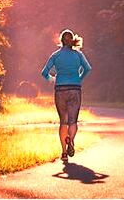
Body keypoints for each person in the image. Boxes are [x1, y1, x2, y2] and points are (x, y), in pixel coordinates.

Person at [41, 28, 92, 163]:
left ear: (61, 41)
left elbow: (44, 72)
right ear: (72, 40)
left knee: (63, 121)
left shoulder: (55, 55)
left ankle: (64, 152)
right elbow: (88, 68)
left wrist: (53, 80)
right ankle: (71, 140)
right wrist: (79, 79)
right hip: (75, 89)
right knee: (73, 121)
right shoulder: (78, 55)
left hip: (60, 90)